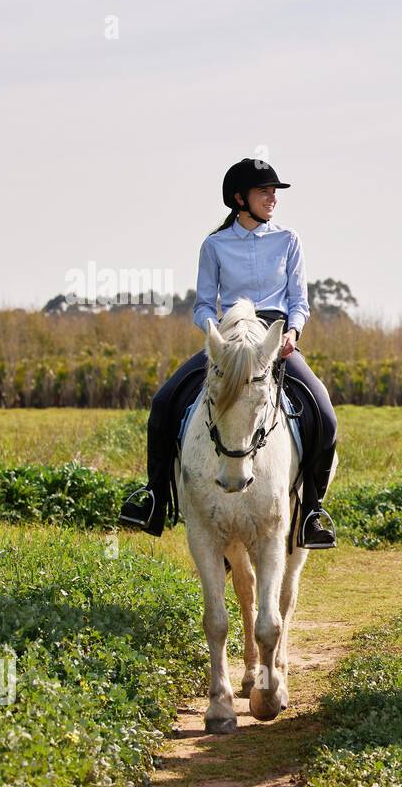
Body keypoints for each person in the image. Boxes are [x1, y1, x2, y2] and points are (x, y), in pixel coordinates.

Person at [118, 158, 339, 548]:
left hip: (273, 341)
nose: (273, 198)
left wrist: (292, 331)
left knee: (324, 414)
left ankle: (312, 512)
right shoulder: (214, 245)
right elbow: (203, 303)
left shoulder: (289, 240)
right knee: (164, 401)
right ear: (240, 199)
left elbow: (298, 301)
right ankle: (153, 497)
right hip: (229, 341)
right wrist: (215, 335)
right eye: (264, 191)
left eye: (275, 192)